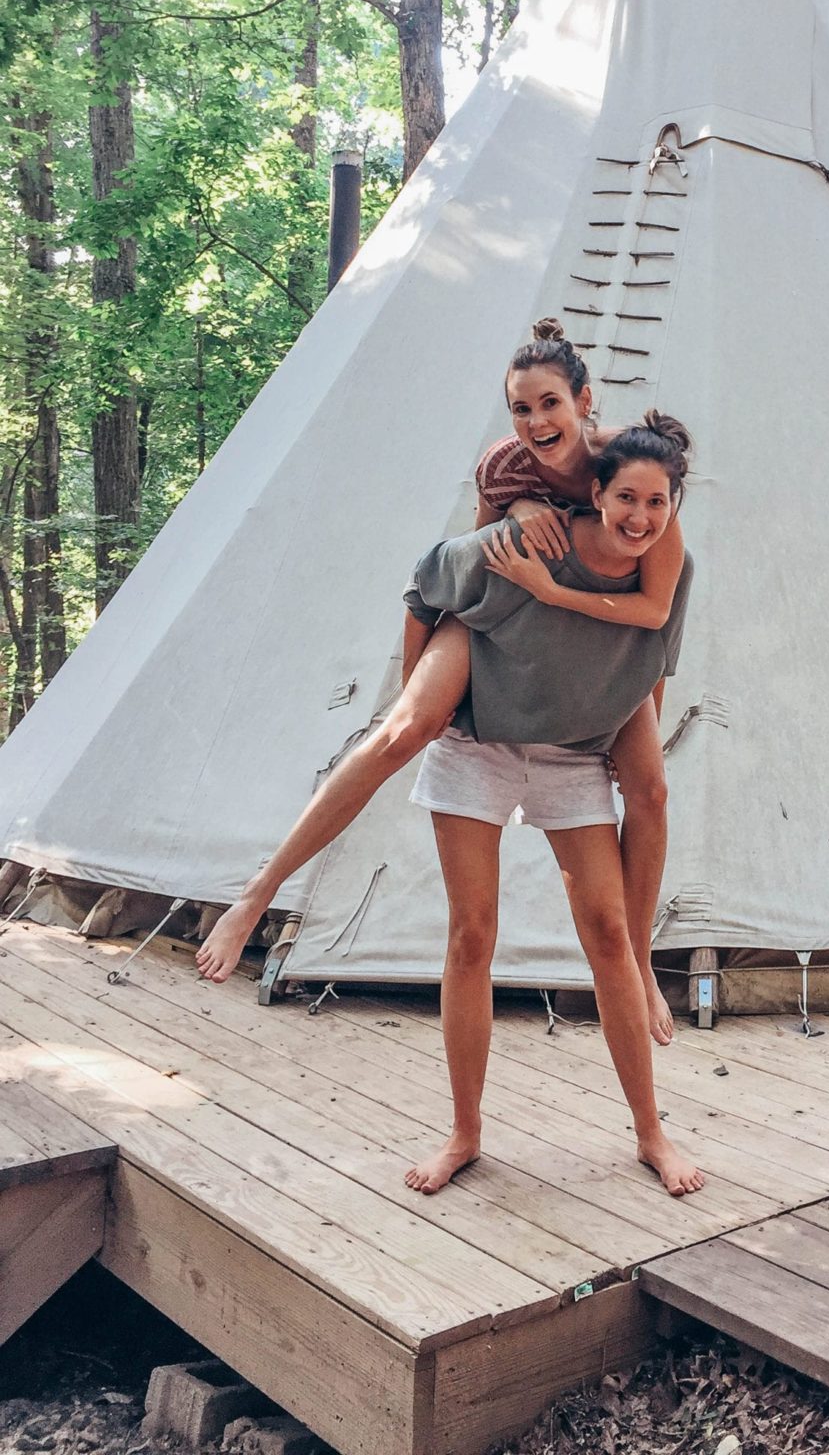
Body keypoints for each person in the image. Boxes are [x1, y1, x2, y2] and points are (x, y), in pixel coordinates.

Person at [197, 322, 684, 1046]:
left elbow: (657, 621)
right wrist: (418, 683)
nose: (535, 422)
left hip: (594, 640)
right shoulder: (503, 465)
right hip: (494, 614)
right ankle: (258, 893)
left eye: (549, 404)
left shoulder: (630, 471)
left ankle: (638, 964)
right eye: (520, 408)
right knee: (400, 734)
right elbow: (460, 568)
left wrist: (628, 715)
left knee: (649, 788)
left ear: (585, 401)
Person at [393, 413, 702, 1197]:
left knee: (606, 931)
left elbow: (647, 665)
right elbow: (430, 588)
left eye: (655, 503)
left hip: (571, 751)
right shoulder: (529, 537)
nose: (638, 515)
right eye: (625, 496)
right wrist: (416, 698)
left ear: (673, 508)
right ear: (595, 493)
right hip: (483, 742)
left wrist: (628, 760)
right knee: (472, 934)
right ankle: (464, 1132)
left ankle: (651, 1132)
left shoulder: (668, 573)